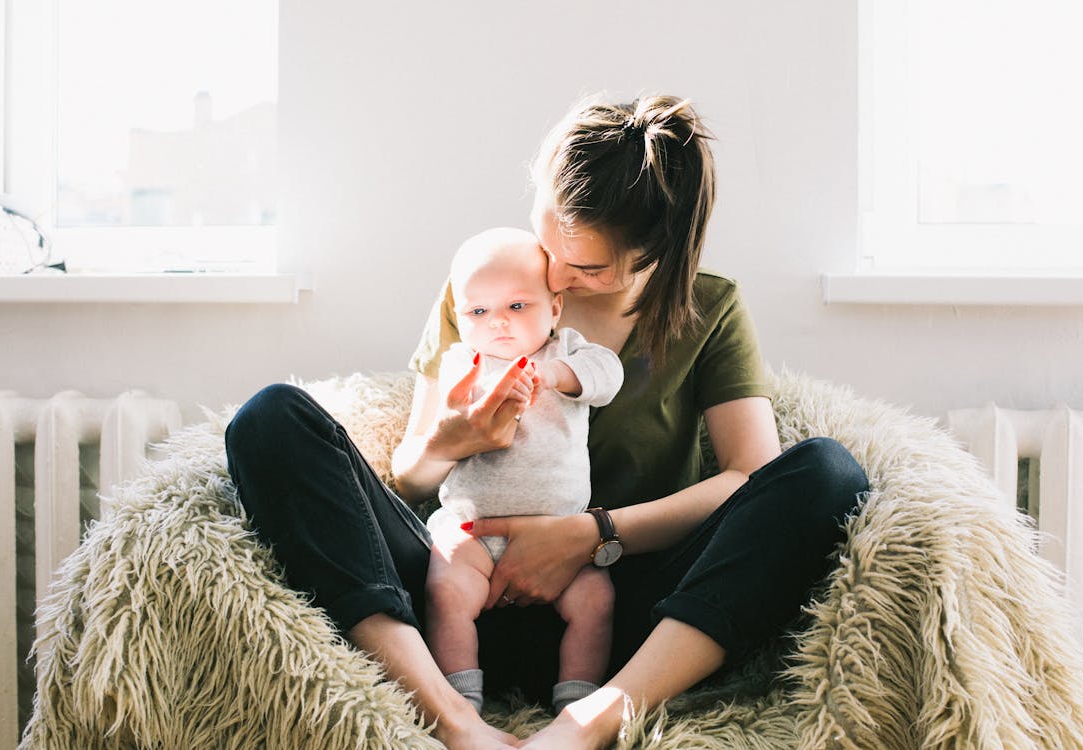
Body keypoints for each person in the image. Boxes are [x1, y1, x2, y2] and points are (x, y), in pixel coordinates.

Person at [224, 93, 869, 750]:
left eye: (585, 267)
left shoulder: (709, 309)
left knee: (826, 473)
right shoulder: (488, 286)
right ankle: (446, 715)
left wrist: (590, 537)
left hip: (617, 614)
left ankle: (590, 722)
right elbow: (410, 483)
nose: (553, 275)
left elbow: (746, 476)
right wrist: (451, 443)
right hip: (455, 590)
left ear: (655, 253)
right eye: (547, 236)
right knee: (269, 420)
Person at [424, 227, 623, 717]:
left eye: (517, 307)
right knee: (444, 592)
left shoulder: (566, 352)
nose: (498, 324)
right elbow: (447, 407)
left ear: (554, 309)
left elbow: (608, 375)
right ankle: (461, 702)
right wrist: (471, 393)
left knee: (596, 602)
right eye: (478, 311)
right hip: (473, 531)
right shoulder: (462, 361)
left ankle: (575, 703)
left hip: (563, 536)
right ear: (458, 317)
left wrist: (556, 376)